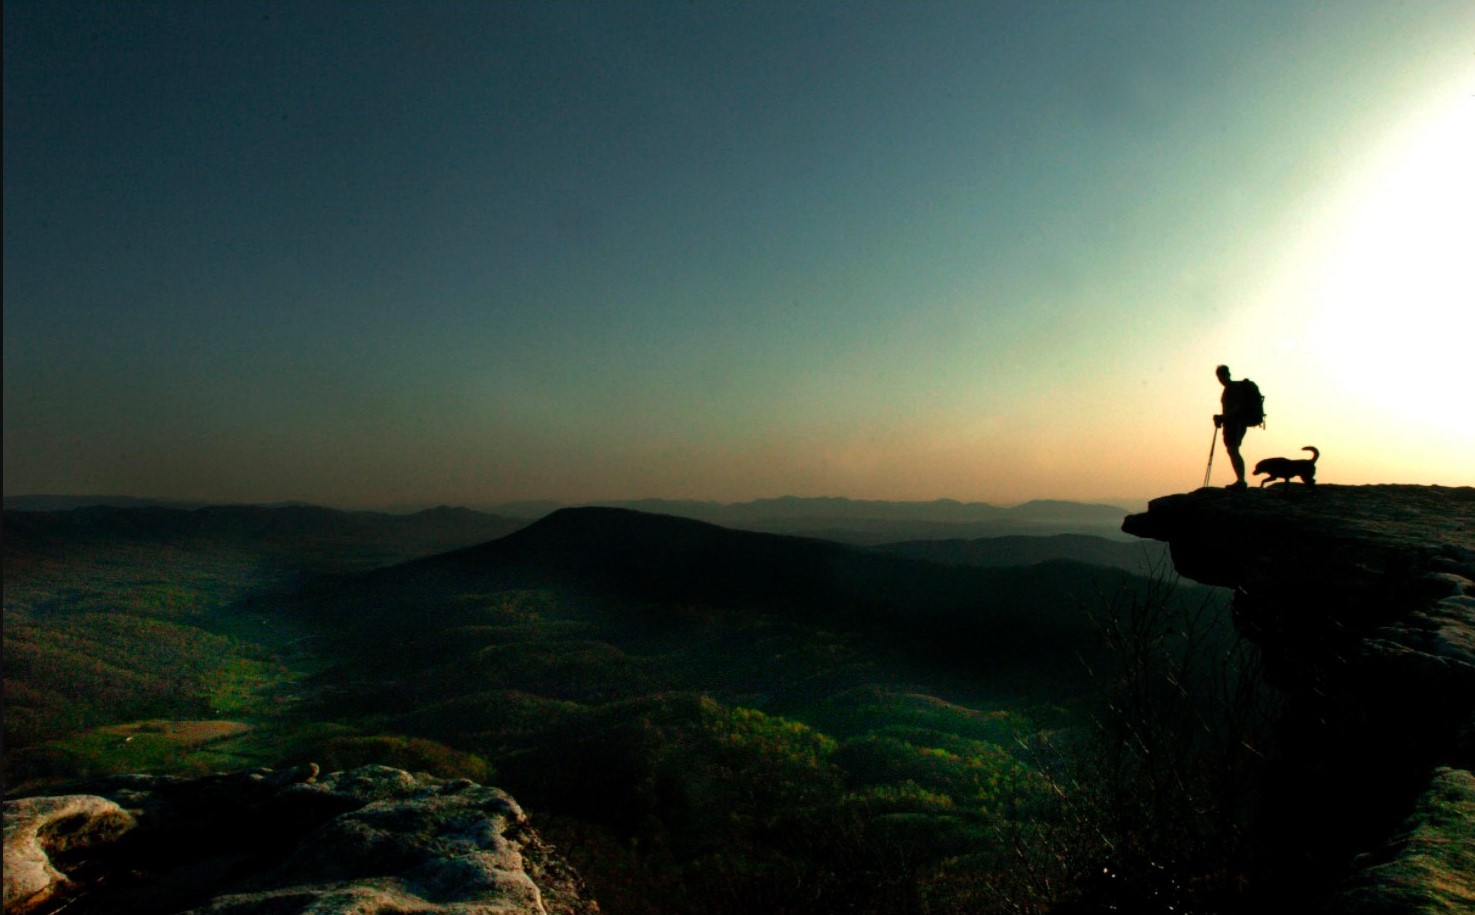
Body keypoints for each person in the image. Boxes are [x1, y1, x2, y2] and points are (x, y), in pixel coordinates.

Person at [1214, 364, 1253, 490]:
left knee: (1233, 449)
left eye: (1222, 375)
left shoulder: (1233, 388)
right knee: (1232, 450)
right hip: (1233, 423)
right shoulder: (1229, 388)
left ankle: (1241, 481)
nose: (1221, 378)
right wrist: (1222, 418)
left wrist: (1223, 418)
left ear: (1228, 374)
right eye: (1219, 376)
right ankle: (1240, 480)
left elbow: (1238, 407)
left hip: (1235, 423)